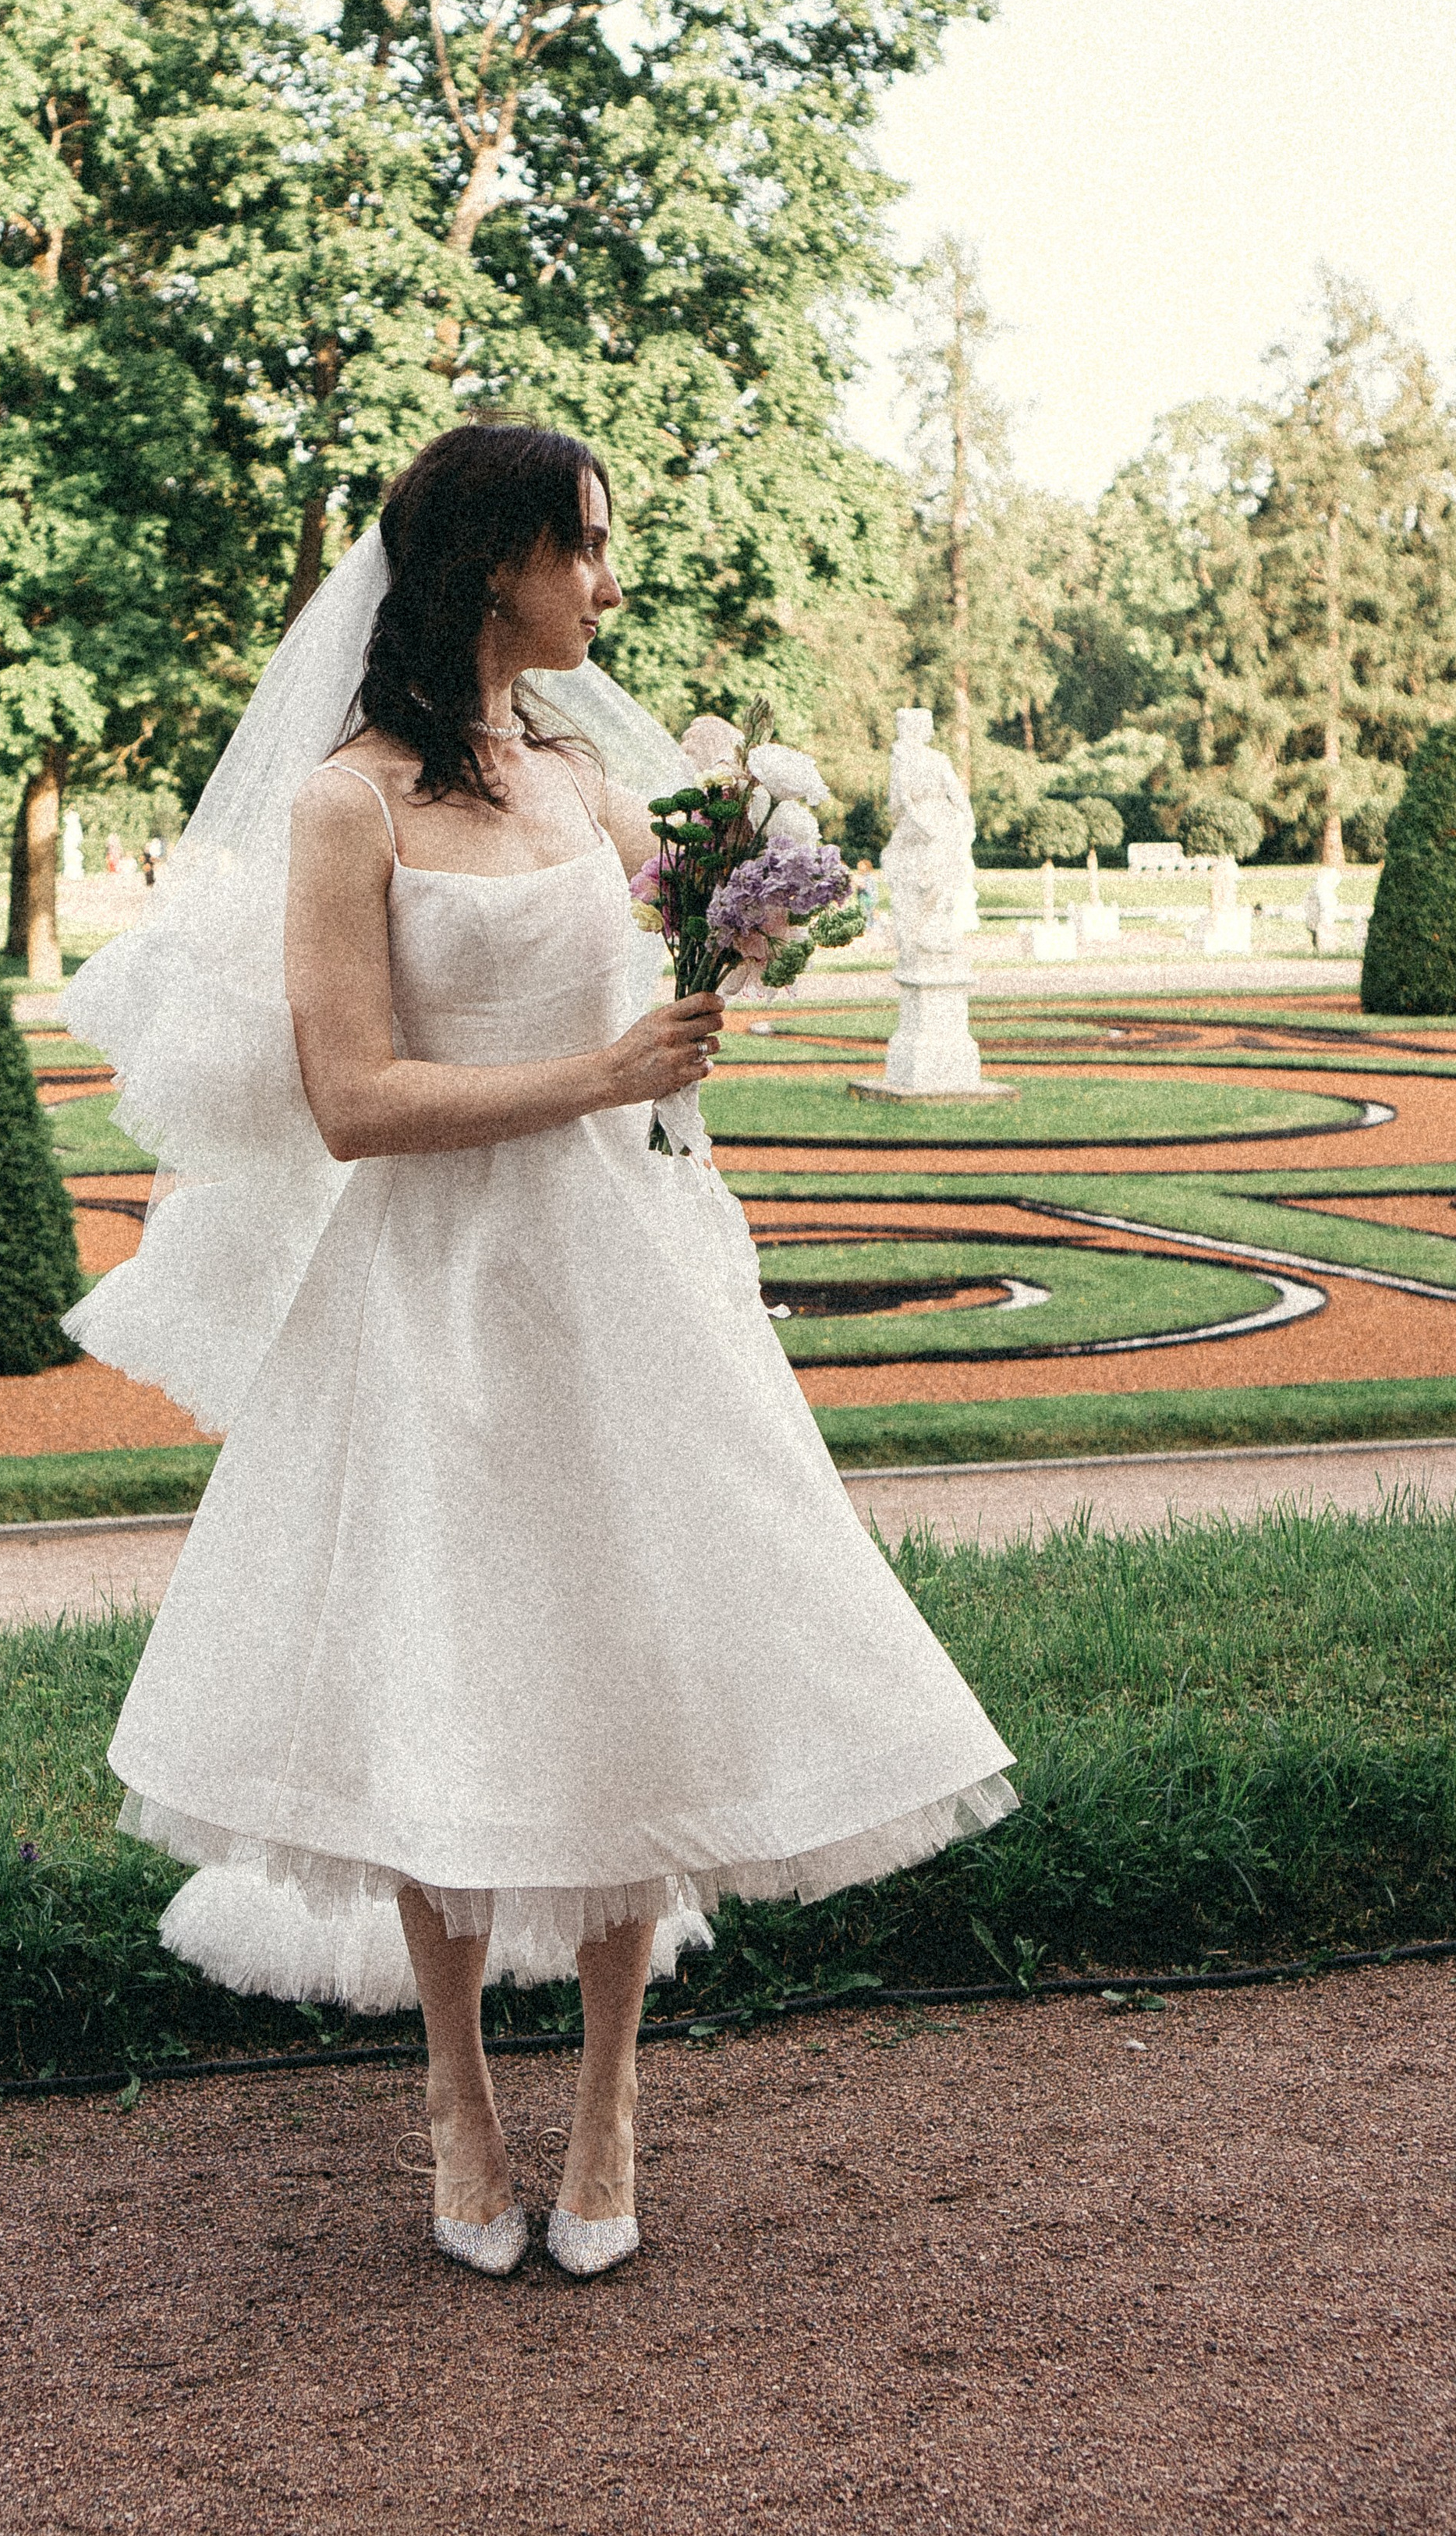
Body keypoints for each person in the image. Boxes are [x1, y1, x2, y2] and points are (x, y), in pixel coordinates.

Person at [65, 425, 1014, 2283]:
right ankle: (453, 2096)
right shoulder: (350, 805)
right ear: (490, 562)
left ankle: (604, 2103)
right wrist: (602, 1071)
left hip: (629, 1270)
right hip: (437, 1296)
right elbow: (348, 1099)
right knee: (448, 1664)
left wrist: (750, 926)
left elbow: (685, 953)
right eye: (582, 548)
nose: (608, 583)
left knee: (623, 1660)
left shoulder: (583, 779)